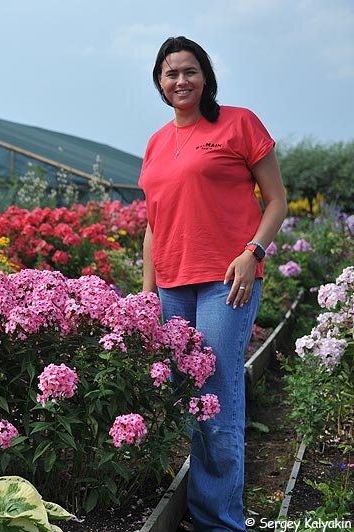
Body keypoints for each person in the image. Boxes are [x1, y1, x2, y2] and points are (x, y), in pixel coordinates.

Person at [139, 36, 287, 531]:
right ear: (159, 83)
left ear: (206, 77)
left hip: (228, 282)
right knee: (182, 394)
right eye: (170, 73)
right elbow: (153, 224)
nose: (180, 81)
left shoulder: (238, 123)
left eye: (189, 71)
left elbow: (277, 201)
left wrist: (253, 253)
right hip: (172, 285)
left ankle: (219, 522)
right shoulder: (157, 142)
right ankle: (202, 505)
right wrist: (146, 291)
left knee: (216, 399)